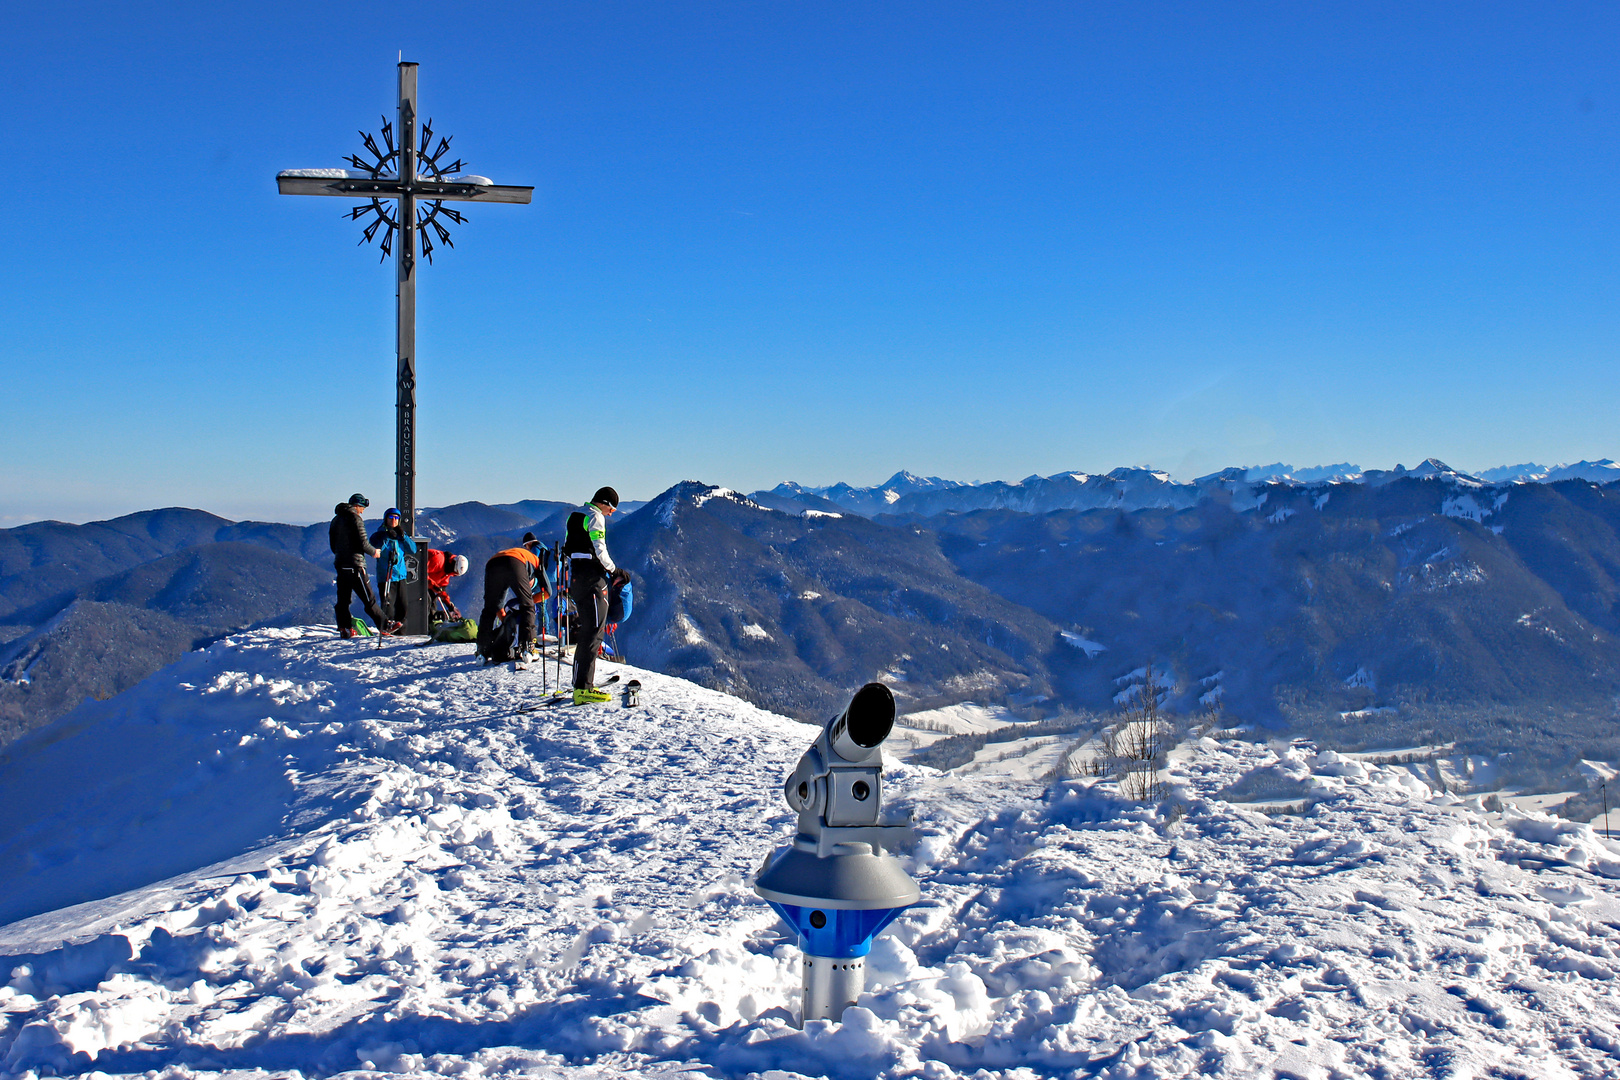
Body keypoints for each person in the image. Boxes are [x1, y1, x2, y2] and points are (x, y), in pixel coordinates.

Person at [565, 487, 629, 703]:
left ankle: (580, 684)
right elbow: (599, 550)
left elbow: (567, 547)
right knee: (594, 633)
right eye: (611, 508)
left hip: (576, 579)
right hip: (593, 580)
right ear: (603, 503)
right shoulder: (595, 516)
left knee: (587, 632)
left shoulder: (575, 515)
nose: (610, 514)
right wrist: (616, 571)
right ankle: (583, 688)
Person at [478, 533, 549, 663]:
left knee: (489, 608)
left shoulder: (525, 558)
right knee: (528, 607)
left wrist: (506, 620)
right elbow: (548, 592)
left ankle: (482, 649)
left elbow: (497, 605)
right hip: (515, 562)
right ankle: (528, 647)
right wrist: (528, 600)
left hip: (492, 563)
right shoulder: (537, 563)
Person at [329, 493, 389, 637]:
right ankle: (385, 626)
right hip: (356, 565)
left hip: (341, 564)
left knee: (343, 599)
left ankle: (345, 628)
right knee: (369, 598)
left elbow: (333, 545)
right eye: (362, 508)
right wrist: (374, 552)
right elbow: (363, 543)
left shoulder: (336, 519)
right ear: (358, 506)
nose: (362, 511)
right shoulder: (355, 518)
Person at [369, 508, 418, 634]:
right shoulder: (379, 535)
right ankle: (387, 630)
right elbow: (375, 549)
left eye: (396, 518)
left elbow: (413, 549)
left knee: (403, 607)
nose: (394, 520)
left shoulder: (400, 535)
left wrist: (403, 536)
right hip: (386, 576)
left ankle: (401, 633)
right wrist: (386, 537)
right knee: (388, 607)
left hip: (400, 576)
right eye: (391, 518)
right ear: (386, 519)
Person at [425, 549, 469, 621]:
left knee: (432, 603)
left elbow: (442, 591)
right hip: (414, 582)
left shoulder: (446, 573)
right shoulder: (438, 560)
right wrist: (433, 585)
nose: (453, 575)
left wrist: (450, 606)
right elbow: (420, 572)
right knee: (427, 601)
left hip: (425, 586)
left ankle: (429, 624)